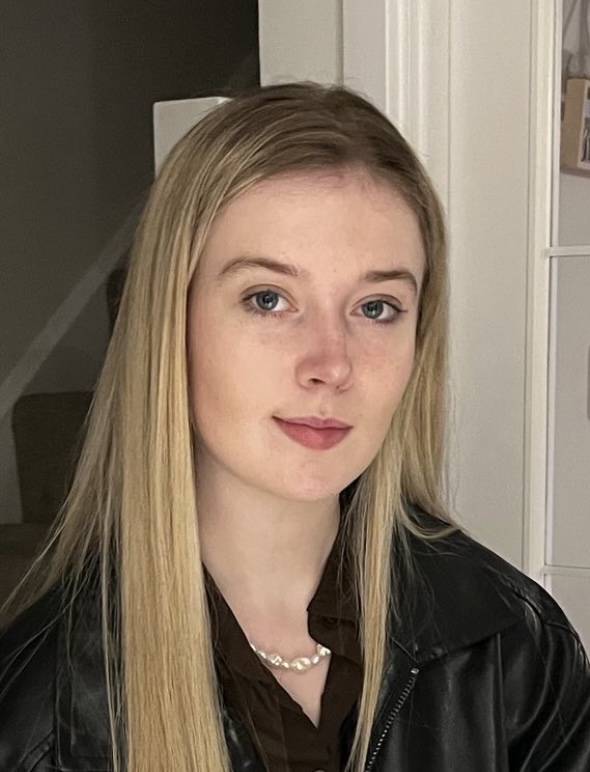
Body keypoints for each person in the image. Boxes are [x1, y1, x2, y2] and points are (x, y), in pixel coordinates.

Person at [0, 82, 589, 772]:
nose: (331, 365)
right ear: (172, 325)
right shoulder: (43, 725)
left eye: (376, 308)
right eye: (269, 298)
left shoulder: (512, 648)